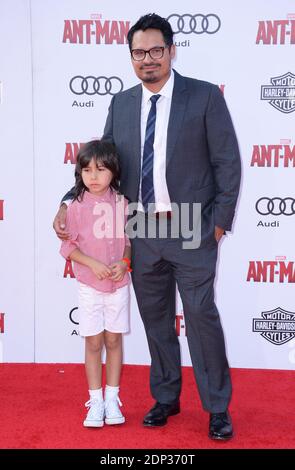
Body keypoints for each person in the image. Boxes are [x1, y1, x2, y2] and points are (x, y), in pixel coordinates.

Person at [54, 13, 241, 440]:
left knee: (200, 317)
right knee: (156, 320)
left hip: (194, 225)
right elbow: (100, 166)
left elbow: (227, 165)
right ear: (131, 57)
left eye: (157, 50)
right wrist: (68, 204)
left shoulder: (205, 97)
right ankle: (167, 397)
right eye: (139, 53)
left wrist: (218, 225)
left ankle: (216, 407)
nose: (148, 59)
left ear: (172, 51)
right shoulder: (121, 104)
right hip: (138, 227)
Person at [59, 140, 131, 428]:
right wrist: (93, 264)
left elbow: (128, 242)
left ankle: (112, 398)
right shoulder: (75, 207)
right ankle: (95, 400)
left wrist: (124, 264)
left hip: (120, 284)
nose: (94, 176)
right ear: (80, 173)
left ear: (113, 171)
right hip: (89, 285)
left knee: (113, 340)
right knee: (93, 342)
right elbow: (68, 248)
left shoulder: (123, 203)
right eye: (87, 170)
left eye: (101, 170)